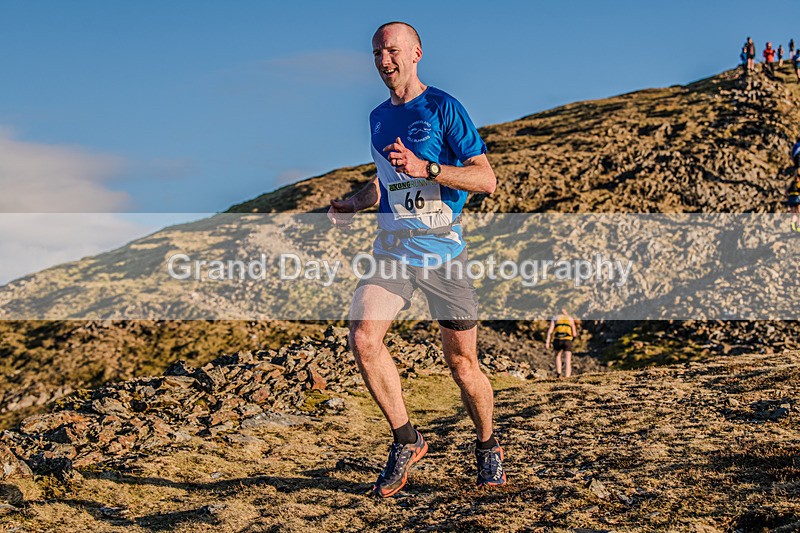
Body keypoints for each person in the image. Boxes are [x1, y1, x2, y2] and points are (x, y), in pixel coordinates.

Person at [327, 21, 504, 498]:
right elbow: (384, 181)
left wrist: (427, 167)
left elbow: (485, 180)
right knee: (363, 337)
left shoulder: (444, 107)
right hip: (392, 249)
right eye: (377, 53)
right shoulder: (377, 117)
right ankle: (407, 439)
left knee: (463, 365)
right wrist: (354, 202)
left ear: (416, 53)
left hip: (443, 252)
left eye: (392, 51)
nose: (385, 60)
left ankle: (487, 445)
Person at [545, 309, 577, 378]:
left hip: (558, 340)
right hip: (567, 340)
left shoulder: (555, 318)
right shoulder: (570, 319)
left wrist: (547, 341)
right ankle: (567, 376)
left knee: (557, 356)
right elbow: (574, 333)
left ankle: (558, 373)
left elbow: (550, 331)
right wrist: (573, 340)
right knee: (568, 359)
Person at [787, 167, 800, 231]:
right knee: (798, 213)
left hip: (792, 198)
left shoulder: (791, 184)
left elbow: (787, 191)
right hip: (796, 198)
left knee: (795, 213)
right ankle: (797, 226)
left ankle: (793, 224)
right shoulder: (797, 184)